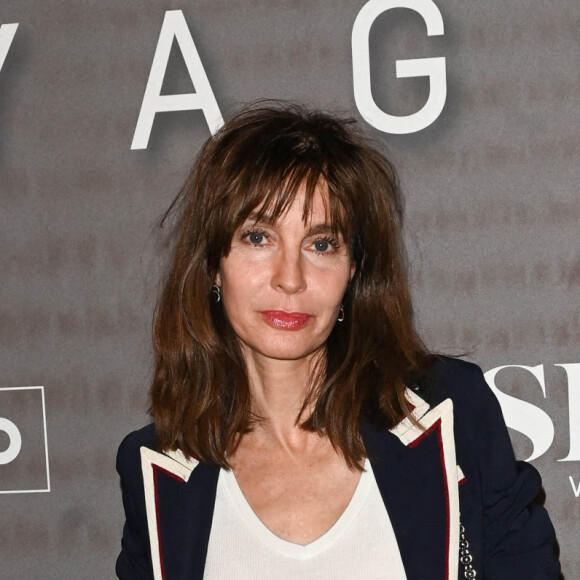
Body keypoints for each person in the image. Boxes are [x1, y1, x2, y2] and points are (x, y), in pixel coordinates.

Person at [116, 103, 560, 579]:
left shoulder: (453, 414)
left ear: (354, 272)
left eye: (321, 244)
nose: (290, 278)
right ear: (212, 267)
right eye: (258, 237)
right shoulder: (160, 472)